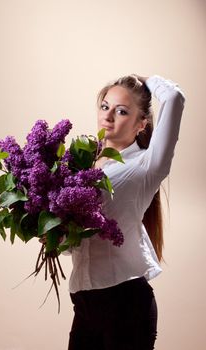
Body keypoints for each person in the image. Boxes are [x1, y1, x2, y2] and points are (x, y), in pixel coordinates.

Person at [67, 74, 185, 350]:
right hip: (84, 303)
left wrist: (150, 80)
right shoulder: (81, 167)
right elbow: (78, 243)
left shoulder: (146, 165)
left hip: (126, 305)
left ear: (141, 124)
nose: (108, 117)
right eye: (105, 106)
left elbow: (175, 98)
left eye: (121, 111)